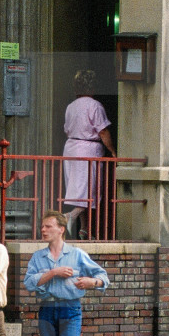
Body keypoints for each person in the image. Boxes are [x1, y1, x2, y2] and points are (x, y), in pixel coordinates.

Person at [62, 70, 115, 239]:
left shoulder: (71, 106)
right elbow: (103, 131)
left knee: (80, 190)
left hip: (71, 148)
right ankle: (71, 216)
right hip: (88, 150)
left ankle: (84, 229)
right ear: (92, 87)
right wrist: (112, 151)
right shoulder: (95, 106)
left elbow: (67, 129)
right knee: (90, 189)